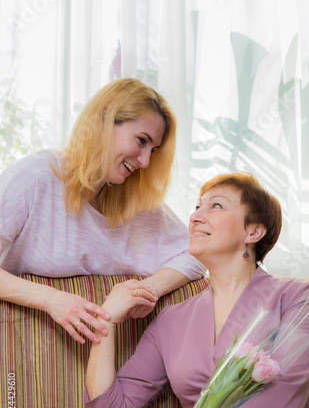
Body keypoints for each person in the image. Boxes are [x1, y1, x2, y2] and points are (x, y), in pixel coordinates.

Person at [84, 172, 309, 408]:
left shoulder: (298, 297)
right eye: (196, 207)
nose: (195, 217)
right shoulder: (170, 321)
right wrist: (105, 319)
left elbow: (283, 398)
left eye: (215, 206)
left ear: (253, 231)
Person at [0, 78, 205, 345]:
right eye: (141, 141)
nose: (145, 161)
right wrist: (51, 298)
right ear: (105, 119)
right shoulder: (35, 178)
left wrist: (149, 289)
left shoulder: (135, 200)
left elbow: (198, 253)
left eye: (152, 150)